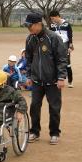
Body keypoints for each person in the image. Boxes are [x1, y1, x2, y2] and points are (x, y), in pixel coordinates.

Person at [24, 13, 67, 145]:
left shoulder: (53, 38)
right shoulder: (30, 39)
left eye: (30, 26)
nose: (28, 29)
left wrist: (61, 77)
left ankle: (54, 133)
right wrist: (29, 76)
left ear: (38, 24)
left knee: (54, 108)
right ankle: (35, 132)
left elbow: (61, 59)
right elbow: (29, 59)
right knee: (34, 107)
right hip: (37, 81)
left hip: (53, 81)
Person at [49, 10, 74, 88]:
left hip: (65, 45)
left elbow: (70, 35)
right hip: (56, 45)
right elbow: (50, 36)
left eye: (53, 18)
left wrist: (70, 46)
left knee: (67, 63)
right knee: (55, 63)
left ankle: (70, 81)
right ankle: (57, 80)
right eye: (51, 19)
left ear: (58, 16)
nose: (52, 20)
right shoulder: (52, 25)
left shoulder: (66, 24)